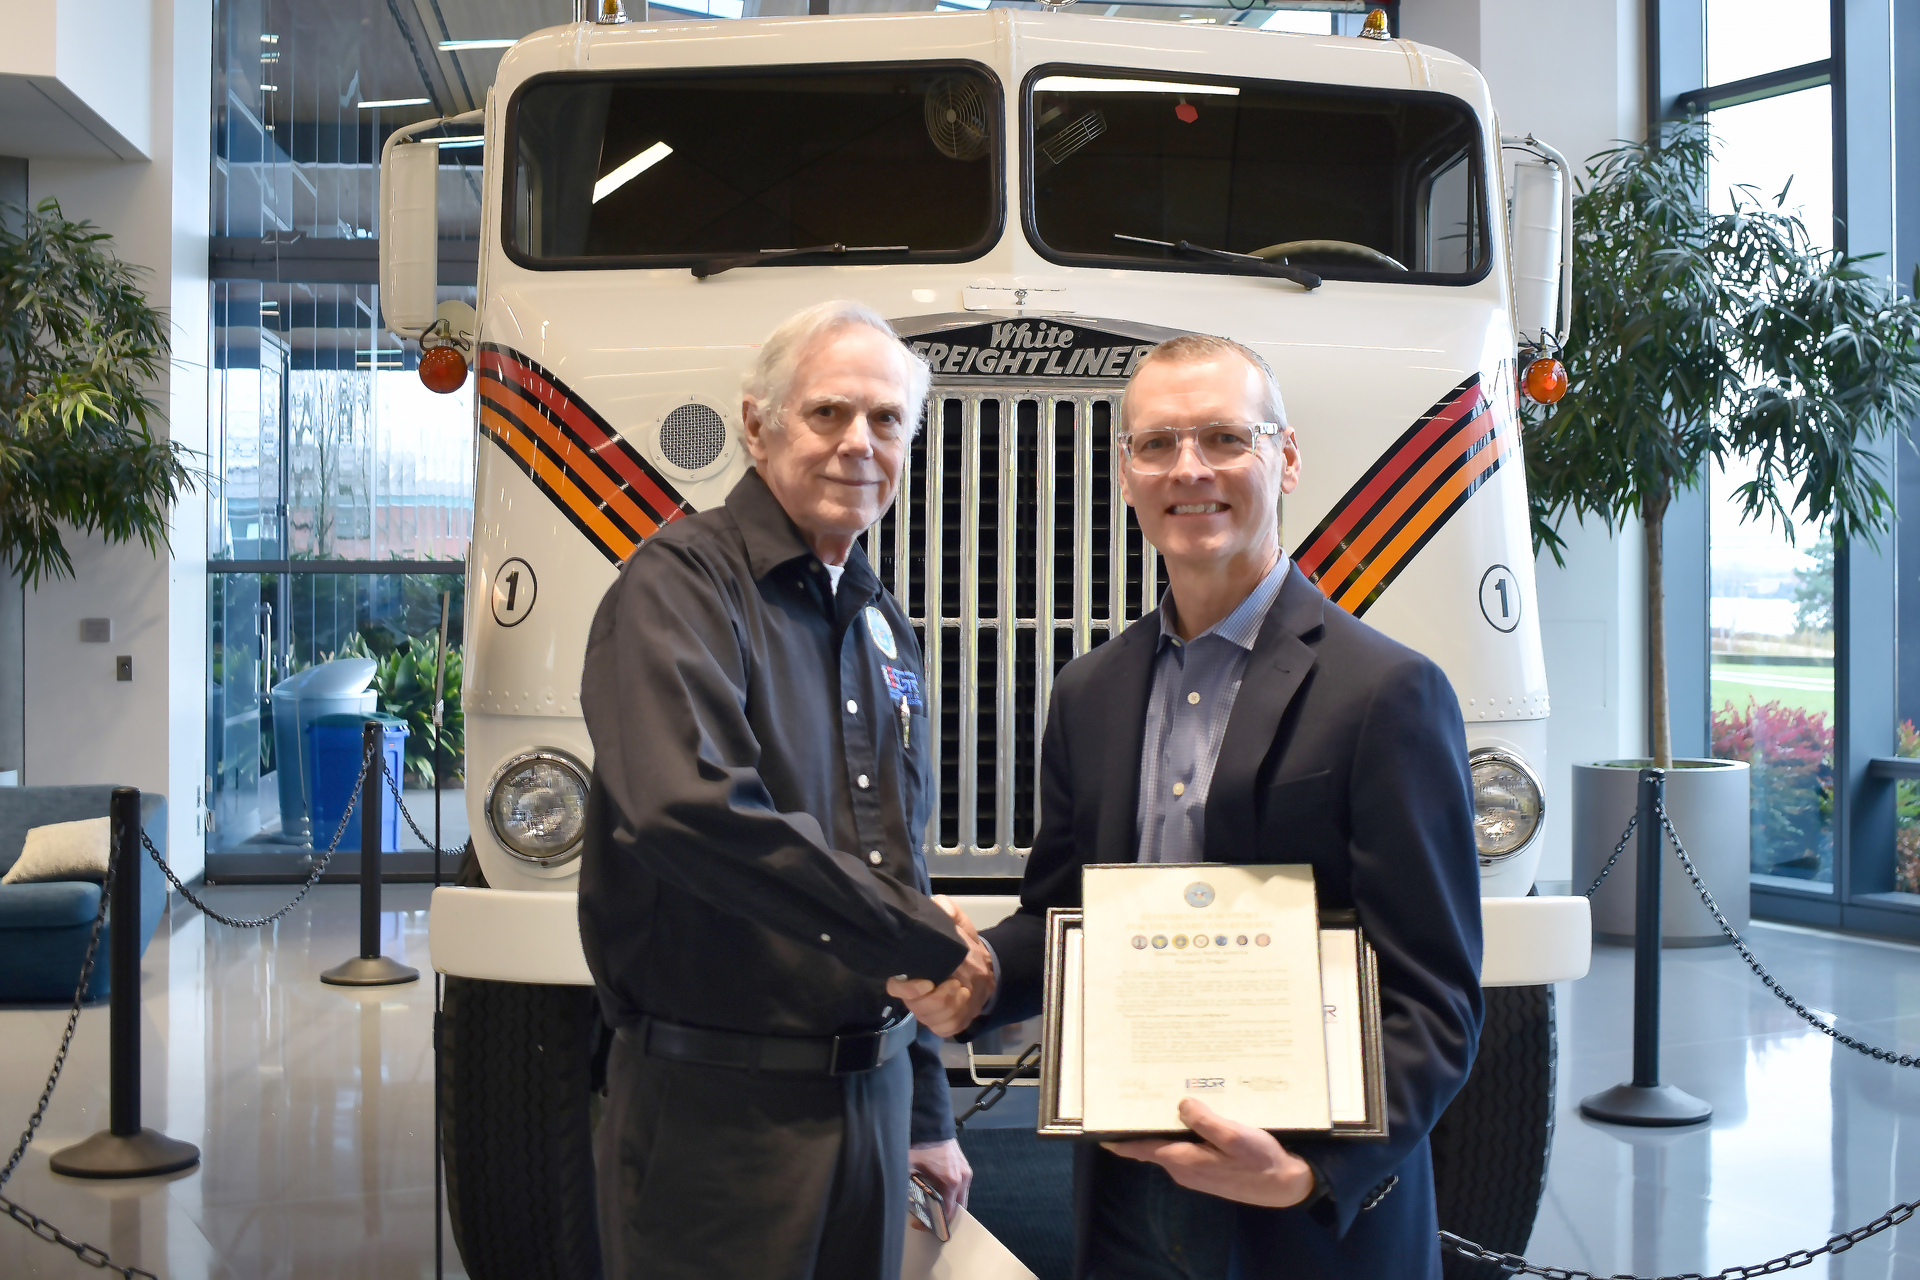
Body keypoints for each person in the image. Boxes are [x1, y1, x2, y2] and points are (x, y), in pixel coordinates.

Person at [895, 334, 1484, 1278]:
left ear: (1284, 458)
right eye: (1157, 444)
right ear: (1126, 472)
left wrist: (1305, 1171)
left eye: (1223, 438)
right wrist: (978, 979)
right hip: (1125, 1188)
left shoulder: (1388, 694)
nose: (1189, 470)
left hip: (1296, 1216)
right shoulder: (1089, 693)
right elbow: (1061, 918)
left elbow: (1436, 999)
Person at [577, 299, 995, 1280]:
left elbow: (897, 862)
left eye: (887, 421)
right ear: (757, 424)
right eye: (829, 414)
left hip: (876, 1107)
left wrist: (928, 1113)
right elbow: (692, 813)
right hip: (720, 1122)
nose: (860, 443)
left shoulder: (882, 622)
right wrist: (936, 945)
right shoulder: (679, 584)